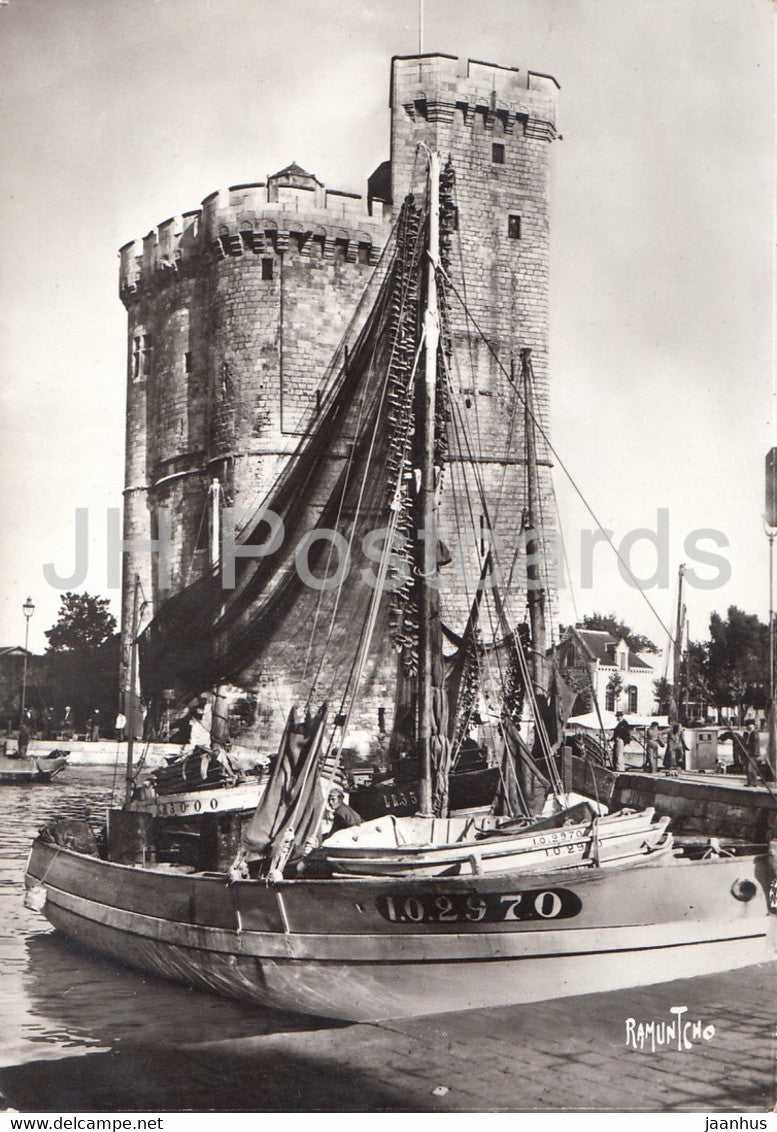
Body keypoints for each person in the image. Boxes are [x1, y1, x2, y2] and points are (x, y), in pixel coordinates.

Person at [745, 721, 760, 787]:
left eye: (750, 726)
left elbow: (755, 743)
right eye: (748, 726)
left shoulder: (754, 733)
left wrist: (748, 744)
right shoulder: (751, 733)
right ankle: (752, 783)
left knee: (751, 768)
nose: (748, 727)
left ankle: (751, 783)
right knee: (751, 768)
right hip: (752, 753)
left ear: (753, 727)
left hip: (753, 753)